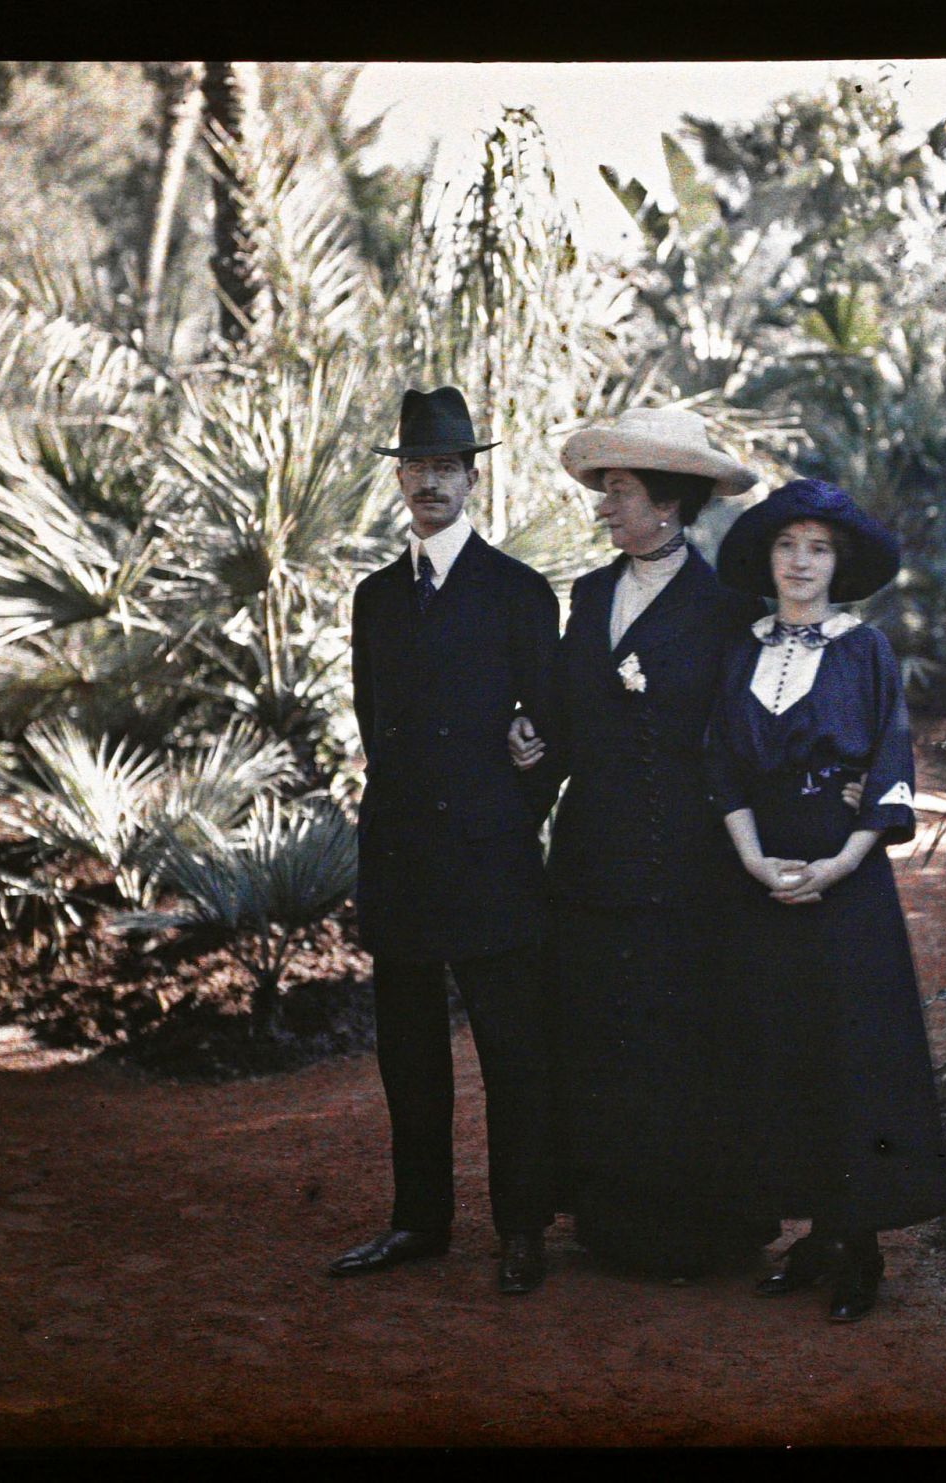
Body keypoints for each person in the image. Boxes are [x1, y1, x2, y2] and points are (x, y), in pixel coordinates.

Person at [506, 407, 772, 1278]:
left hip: (689, 868)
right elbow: (566, 717)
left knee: (682, 1040)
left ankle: (696, 1233)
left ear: (667, 503)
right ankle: (610, 1220)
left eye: (618, 492)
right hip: (590, 859)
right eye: (605, 491)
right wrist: (533, 742)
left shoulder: (728, 609)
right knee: (599, 1033)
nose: (604, 509)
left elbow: (747, 733)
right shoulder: (587, 595)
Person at [703, 478, 946, 1322]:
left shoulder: (865, 651)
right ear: (767, 559)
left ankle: (860, 1248)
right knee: (781, 1052)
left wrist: (835, 866)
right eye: (786, 546)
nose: (800, 562)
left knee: (850, 1056)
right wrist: (755, 860)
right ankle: (810, 1234)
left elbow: (888, 768)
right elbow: (722, 767)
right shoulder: (741, 652)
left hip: (844, 888)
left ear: (837, 562)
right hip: (762, 881)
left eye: (816, 548)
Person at [331, 386, 563, 1296]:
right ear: (398, 480)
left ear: (473, 479)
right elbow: (372, 723)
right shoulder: (376, 599)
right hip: (401, 866)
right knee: (409, 1055)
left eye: (447, 468)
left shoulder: (517, 592)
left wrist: (509, 814)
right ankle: (418, 1221)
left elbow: (549, 734)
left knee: (512, 1050)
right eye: (416, 467)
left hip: (493, 864)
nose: (431, 482)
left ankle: (521, 1229)